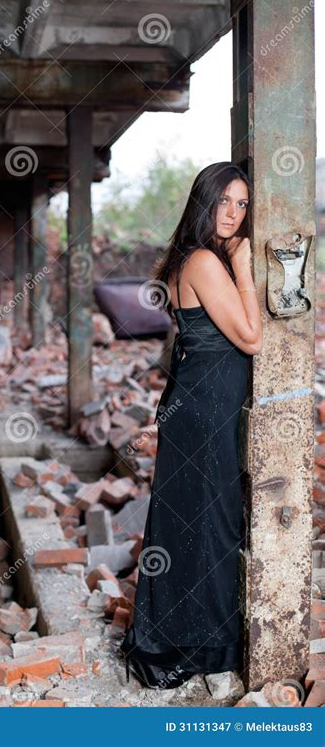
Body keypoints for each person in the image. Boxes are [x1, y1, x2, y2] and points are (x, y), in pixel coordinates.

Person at [119, 161, 263, 690]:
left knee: (194, 523)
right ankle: (200, 645)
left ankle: (186, 636)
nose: (232, 214)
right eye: (223, 201)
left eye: (242, 204)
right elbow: (251, 338)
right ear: (203, 202)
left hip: (198, 405)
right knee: (211, 524)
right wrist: (244, 267)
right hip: (204, 410)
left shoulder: (192, 256)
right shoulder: (204, 260)